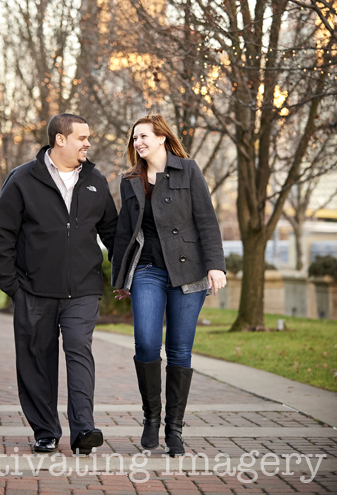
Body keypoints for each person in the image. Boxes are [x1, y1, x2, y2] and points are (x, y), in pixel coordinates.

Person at [0, 114, 118, 455]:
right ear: (60, 140)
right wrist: (13, 286)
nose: (88, 143)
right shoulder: (22, 179)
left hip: (84, 289)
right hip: (33, 289)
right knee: (36, 360)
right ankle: (45, 431)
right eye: (82, 137)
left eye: (88, 137)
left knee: (79, 352)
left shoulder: (95, 180)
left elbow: (112, 233)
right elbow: (2, 234)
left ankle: (83, 430)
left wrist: (129, 269)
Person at [112, 114, 226, 456]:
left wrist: (215, 266)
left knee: (179, 349)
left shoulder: (188, 170)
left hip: (189, 273)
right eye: (134, 139)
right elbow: (122, 233)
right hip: (148, 269)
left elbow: (206, 220)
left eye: (144, 136)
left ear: (162, 138)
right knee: (146, 343)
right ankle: (151, 417)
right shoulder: (130, 180)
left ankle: (174, 428)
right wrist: (120, 276)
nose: (138, 143)